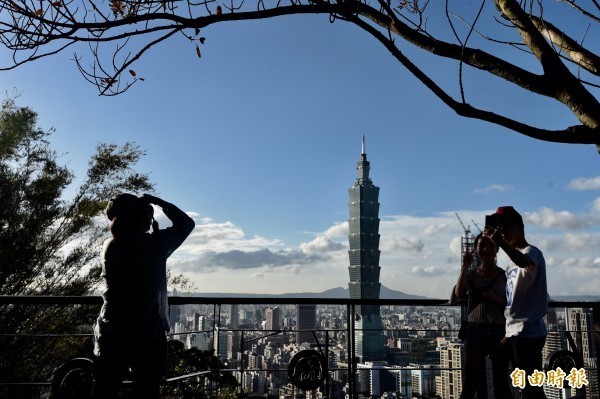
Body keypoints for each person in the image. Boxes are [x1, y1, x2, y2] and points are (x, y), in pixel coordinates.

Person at [93, 193, 195, 399]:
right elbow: (186, 223)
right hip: (146, 335)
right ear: (139, 217)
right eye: (149, 214)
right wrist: (158, 201)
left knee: (105, 390)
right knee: (146, 391)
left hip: (110, 331)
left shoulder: (108, 246)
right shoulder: (153, 245)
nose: (151, 218)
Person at [486, 206, 548, 399]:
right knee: (516, 385)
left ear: (520, 227)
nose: (503, 230)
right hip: (515, 334)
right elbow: (513, 301)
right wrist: (509, 332)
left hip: (528, 334)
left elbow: (524, 261)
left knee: (531, 389)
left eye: (507, 225)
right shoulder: (509, 264)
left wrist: (501, 244)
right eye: (500, 226)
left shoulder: (533, 252)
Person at [454, 233, 511, 399]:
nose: (485, 249)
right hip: (475, 328)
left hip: (498, 329)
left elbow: (511, 305)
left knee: (500, 380)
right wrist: (464, 267)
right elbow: (459, 293)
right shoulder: (472, 275)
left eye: (489, 245)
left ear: (496, 250)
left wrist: (494, 299)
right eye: (481, 246)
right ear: (475, 249)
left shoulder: (504, 275)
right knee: (470, 380)